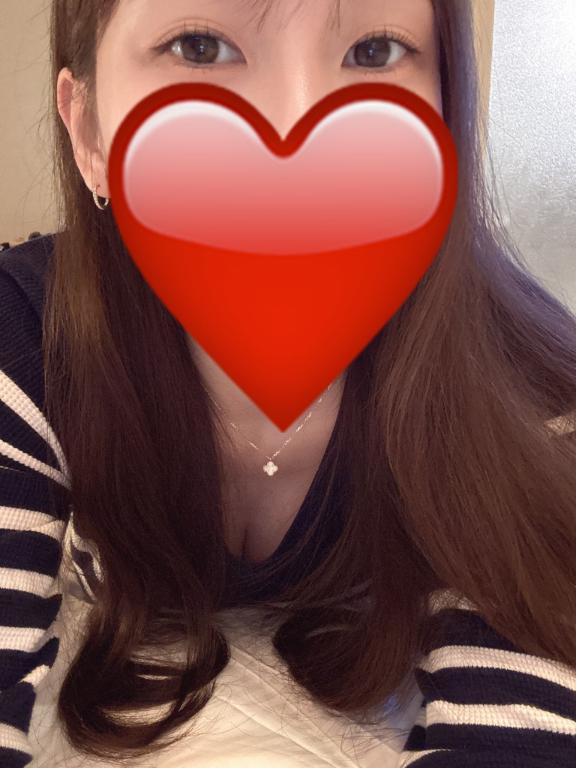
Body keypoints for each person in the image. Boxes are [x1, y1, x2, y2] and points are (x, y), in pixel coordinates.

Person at [1, 0, 576, 765]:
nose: (297, 124)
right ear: (90, 132)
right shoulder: (27, 333)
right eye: (198, 47)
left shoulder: (518, 380)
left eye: (374, 52)